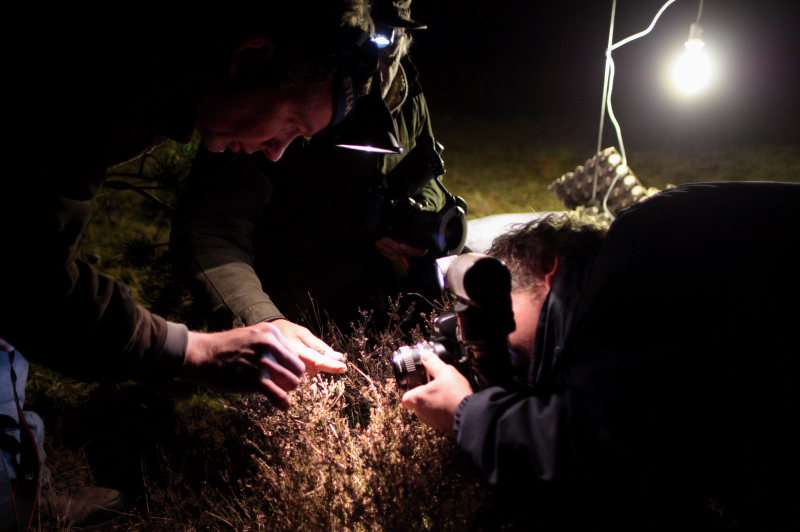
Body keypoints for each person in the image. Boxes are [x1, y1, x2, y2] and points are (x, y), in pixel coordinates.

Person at [1, 3, 374, 530]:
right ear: (250, 59)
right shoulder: (97, 80)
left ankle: (15, 475)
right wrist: (193, 349)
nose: (276, 154)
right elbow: (26, 276)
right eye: (289, 122)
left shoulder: (166, 86)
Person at [402, 182, 800, 530]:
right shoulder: (658, 264)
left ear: (548, 270)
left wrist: (466, 412)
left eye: (496, 304)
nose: (492, 329)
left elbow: (598, 454)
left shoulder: (642, 248)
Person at [171, 0, 459, 348]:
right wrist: (264, 321)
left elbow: (428, 169)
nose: (380, 55)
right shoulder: (287, 89)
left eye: (391, 38)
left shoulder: (403, 87)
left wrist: (412, 218)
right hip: (296, 299)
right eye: (371, 39)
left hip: (382, 290)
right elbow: (212, 226)